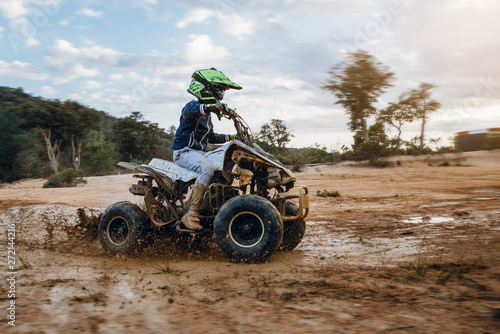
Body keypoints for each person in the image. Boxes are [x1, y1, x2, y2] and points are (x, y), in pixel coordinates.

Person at [171, 68, 242, 230]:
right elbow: (192, 111)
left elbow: (211, 137)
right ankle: (191, 214)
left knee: (225, 163)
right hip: (184, 152)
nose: (220, 95)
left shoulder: (207, 116)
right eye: (218, 91)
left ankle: (214, 206)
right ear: (205, 88)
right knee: (207, 168)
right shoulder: (192, 107)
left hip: (199, 153)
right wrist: (212, 107)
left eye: (222, 92)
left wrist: (232, 138)